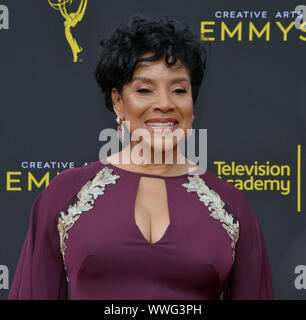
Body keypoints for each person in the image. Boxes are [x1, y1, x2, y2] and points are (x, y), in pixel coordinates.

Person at [8, 14, 273, 300]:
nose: (164, 104)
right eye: (145, 90)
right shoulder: (64, 195)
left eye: (179, 90)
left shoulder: (232, 206)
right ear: (118, 102)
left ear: (192, 103)